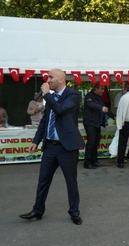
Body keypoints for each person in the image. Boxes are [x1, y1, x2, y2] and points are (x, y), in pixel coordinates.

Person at [19, 68, 85, 225]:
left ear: (61, 80)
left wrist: (47, 95)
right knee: (43, 180)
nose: (47, 80)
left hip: (66, 147)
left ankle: (74, 212)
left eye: (50, 77)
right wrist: (36, 140)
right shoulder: (51, 98)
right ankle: (37, 210)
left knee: (71, 181)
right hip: (50, 146)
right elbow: (45, 121)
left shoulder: (72, 95)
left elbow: (60, 110)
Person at [83, 83, 115, 169]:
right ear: (95, 89)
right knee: (91, 142)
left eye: (103, 89)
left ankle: (95, 161)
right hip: (90, 122)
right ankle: (87, 162)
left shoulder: (100, 98)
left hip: (97, 123)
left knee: (96, 142)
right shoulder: (89, 96)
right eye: (101, 89)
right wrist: (101, 108)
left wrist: (114, 116)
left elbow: (105, 109)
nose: (103, 91)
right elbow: (91, 105)